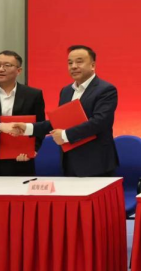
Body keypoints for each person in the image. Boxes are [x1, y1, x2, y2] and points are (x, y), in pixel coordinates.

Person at [14, 45, 119, 177]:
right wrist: (28, 128)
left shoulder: (105, 89)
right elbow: (59, 122)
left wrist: (65, 135)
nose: (73, 66)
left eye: (79, 62)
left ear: (93, 65)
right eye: (70, 63)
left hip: (96, 163)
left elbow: (100, 122)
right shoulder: (66, 91)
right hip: (70, 161)